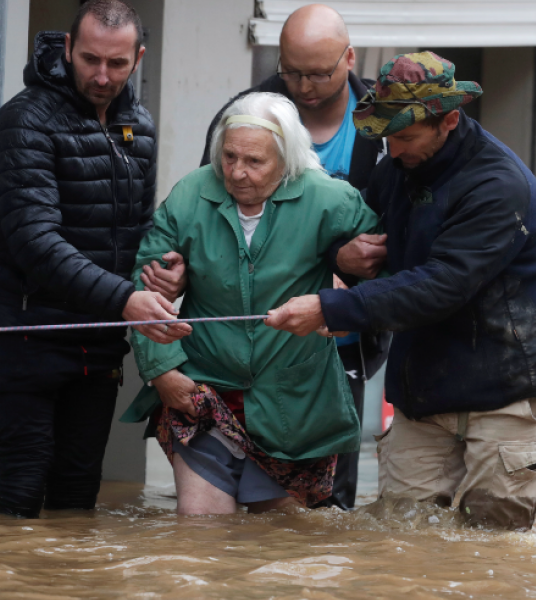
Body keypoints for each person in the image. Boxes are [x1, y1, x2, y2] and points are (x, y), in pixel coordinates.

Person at [266, 52, 536, 530]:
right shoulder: (396, 167)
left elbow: (441, 284)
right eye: (386, 136)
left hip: (506, 391)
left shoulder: (499, 185)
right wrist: (341, 258)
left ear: (449, 120)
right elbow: (350, 234)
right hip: (423, 389)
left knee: (493, 547)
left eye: (406, 136)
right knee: (400, 537)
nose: (392, 150)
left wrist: (332, 306)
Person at [146, 3, 389, 510]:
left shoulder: (341, 180)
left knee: (292, 544)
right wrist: (162, 368)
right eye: (230, 158)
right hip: (208, 383)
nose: (237, 172)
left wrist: (347, 290)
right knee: (199, 539)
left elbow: (386, 253)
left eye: (254, 162)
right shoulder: (197, 188)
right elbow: (146, 285)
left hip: (302, 385)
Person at [0, 0, 187, 519]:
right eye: (90, 59)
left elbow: (137, 231)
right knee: (24, 484)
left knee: (78, 490)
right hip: (26, 330)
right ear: (67, 48)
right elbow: (35, 243)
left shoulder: (138, 123)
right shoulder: (24, 120)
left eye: (116, 64)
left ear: (137, 58)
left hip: (97, 337)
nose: (101, 75)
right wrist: (126, 298)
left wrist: (163, 269)